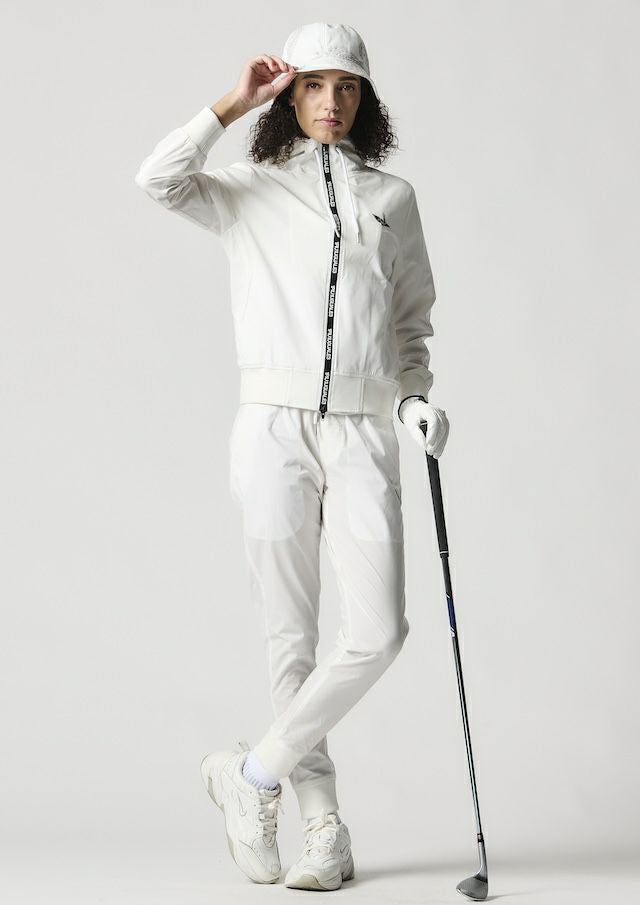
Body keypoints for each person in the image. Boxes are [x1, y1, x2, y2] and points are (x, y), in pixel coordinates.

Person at [135, 21, 450, 892]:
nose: (330, 101)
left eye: (346, 86)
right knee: (291, 638)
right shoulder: (249, 189)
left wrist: (415, 398)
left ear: (365, 98)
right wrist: (232, 104)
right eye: (313, 85)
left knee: (378, 631)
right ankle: (324, 831)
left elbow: (412, 323)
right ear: (290, 95)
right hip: (271, 428)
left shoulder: (393, 198)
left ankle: (252, 774)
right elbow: (157, 178)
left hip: (362, 429)